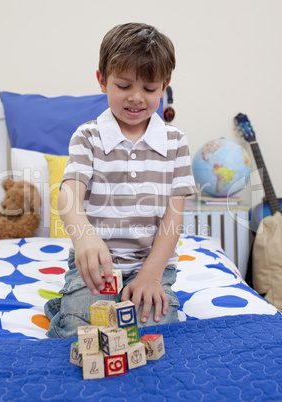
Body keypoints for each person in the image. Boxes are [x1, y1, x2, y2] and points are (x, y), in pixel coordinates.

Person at [45, 22, 197, 338]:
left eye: (150, 89)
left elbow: (174, 214)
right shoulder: (88, 137)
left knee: (155, 331)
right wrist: (84, 236)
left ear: (164, 85)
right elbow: (69, 193)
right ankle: (66, 305)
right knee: (82, 331)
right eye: (124, 86)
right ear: (102, 80)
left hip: (152, 265)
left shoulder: (176, 142)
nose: (136, 98)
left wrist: (152, 276)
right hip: (98, 268)